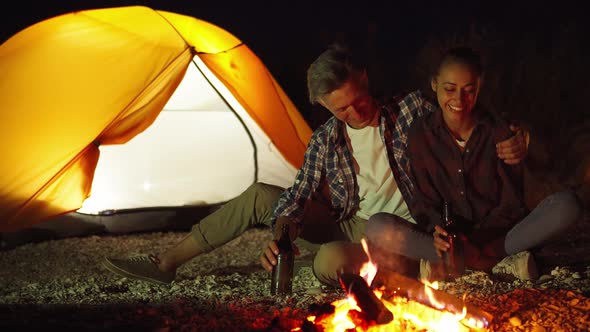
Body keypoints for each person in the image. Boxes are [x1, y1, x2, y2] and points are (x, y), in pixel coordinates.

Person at [102, 43, 528, 287]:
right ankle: (166, 264)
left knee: (327, 263)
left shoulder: (411, 108)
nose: (356, 112)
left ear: (364, 79)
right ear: (325, 107)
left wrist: (513, 133)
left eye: (358, 99)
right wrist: (281, 235)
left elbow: (463, 107)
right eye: (341, 109)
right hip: (353, 222)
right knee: (262, 197)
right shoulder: (327, 139)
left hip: (404, 230)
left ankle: (413, 268)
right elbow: (299, 195)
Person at [366, 47, 583, 282]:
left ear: (478, 89)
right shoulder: (421, 133)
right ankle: (495, 264)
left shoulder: (498, 130)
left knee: (566, 206)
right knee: (378, 225)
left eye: (468, 90)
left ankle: (471, 262)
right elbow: (423, 201)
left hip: (497, 238)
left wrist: (479, 242)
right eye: (449, 89)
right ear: (434, 84)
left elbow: (510, 203)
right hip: (449, 242)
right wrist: (438, 232)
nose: (459, 99)